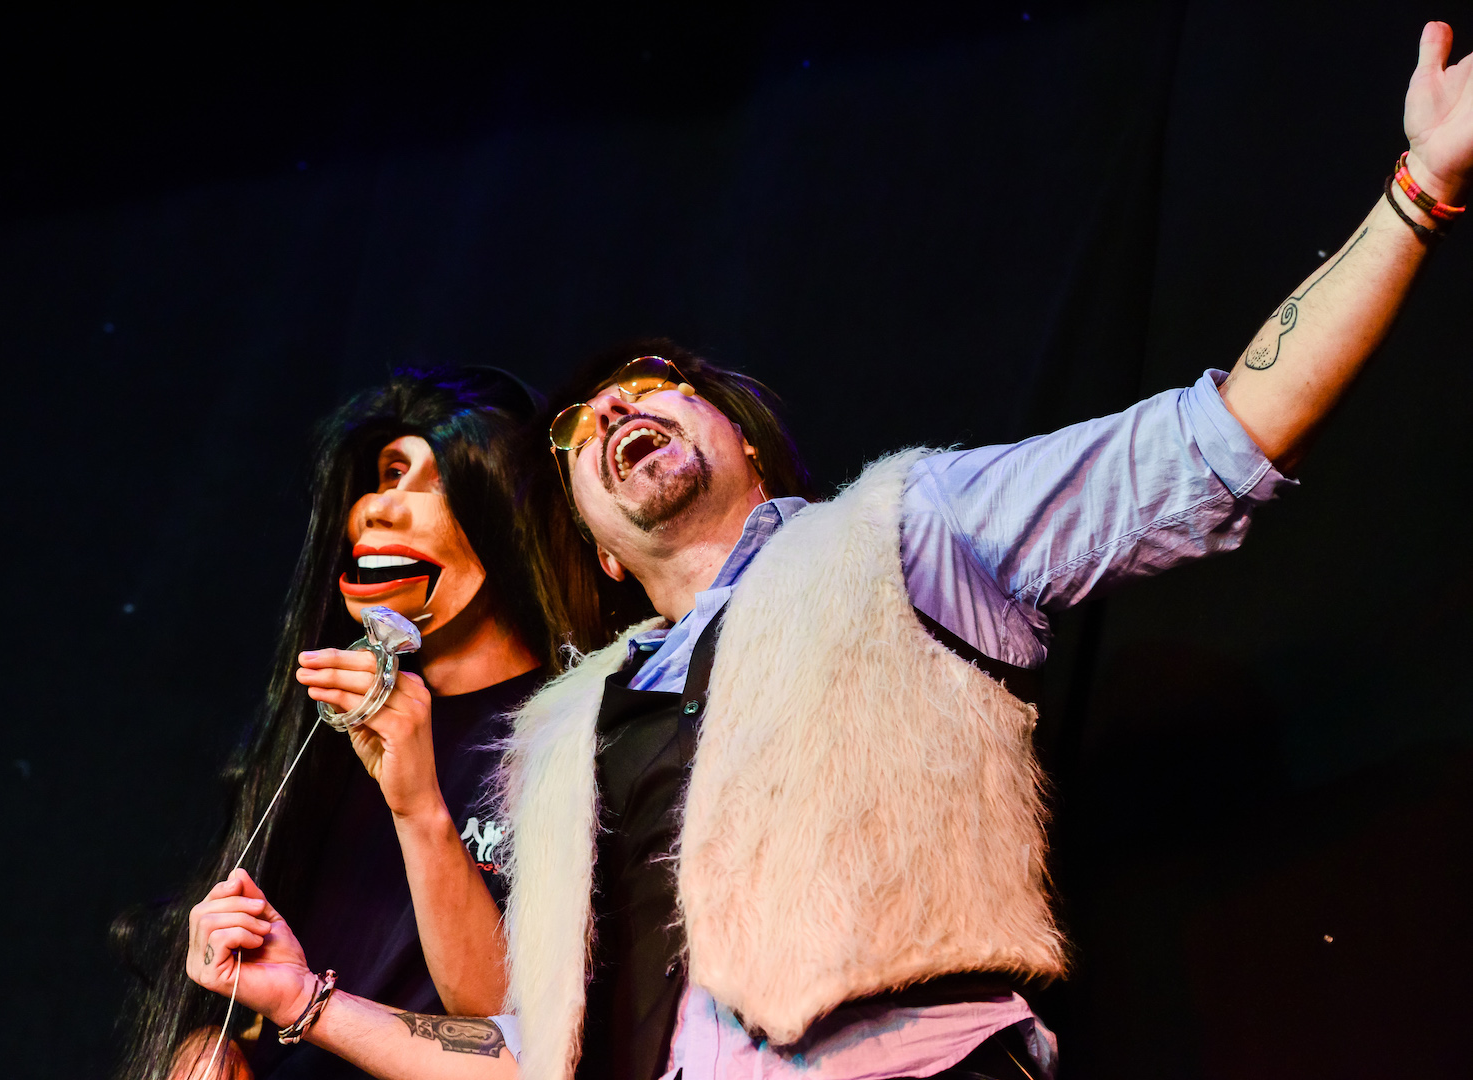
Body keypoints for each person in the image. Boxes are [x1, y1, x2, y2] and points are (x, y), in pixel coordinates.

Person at [180, 21, 1473, 1080]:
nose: (617, 411)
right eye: (578, 429)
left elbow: (1218, 436)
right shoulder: (564, 731)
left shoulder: (905, 528)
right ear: (597, 552)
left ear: (743, 438)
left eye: (653, 384)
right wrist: (307, 1001)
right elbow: (532, 1052)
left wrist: (1416, 193)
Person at [112, 367, 555, 1079]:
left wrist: (419, 807)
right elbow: (270, 968)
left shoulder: (572, 731)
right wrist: (212, 1036)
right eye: (387, 475)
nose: (378, 508)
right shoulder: (327, 728)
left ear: (514, 514)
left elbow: (510, 1036)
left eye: (438, 481)